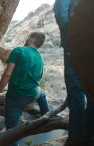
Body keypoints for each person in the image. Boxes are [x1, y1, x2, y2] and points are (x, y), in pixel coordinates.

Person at [0, 32, 50, 146]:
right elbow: (38, 77)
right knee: (42, 94)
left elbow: (7, 74)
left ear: (31, 39)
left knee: (11, 132)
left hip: (16, 97)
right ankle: (47, 117)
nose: (27, 38)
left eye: (28, 36)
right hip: (33, 93)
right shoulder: (40, 57)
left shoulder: (18, 51)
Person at [53, 0, 88, 145]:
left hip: (77, 42)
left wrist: (71, 34)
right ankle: (89, 132)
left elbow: (61, 13)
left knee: (76, 89)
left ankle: (76, 136)